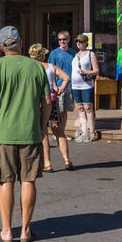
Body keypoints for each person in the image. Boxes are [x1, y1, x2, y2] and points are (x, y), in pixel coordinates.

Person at [0, 26, 50, 242]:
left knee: (5, 181)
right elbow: (47, 102)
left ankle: (6, 231)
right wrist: (42, 125)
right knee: (28, 180)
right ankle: (25, 230)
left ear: (1, 46)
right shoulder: (36, 67)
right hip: (29, 131)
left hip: (2, 132)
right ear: (21, 42)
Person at [28, 43, 72, 171]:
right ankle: (67, 160)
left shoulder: (31, 68)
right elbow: (66, 77)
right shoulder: (51, 67)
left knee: (43, 132)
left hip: (37, 102)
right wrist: (61, 89)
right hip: (52, 101)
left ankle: (47, 163)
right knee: (59, 131)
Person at [46, 31, 76, 167]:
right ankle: (59, 132)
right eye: (60, 40)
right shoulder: (54, 53)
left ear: (69, 39)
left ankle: (60, 132)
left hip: (69, 85)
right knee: (58, 110)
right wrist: (54, 85)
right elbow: (51, 71)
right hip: (57, 87)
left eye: (64, 39)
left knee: (64, 111)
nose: (62, 41)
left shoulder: (72, 53)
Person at [69, 34, 99, 142]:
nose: (78, 43)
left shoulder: (91, 54)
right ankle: (84, 130)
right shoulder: (75, 55)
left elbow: (96, 71)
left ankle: (92, 131)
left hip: (86, 85)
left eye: (81, 42)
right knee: (81, 108)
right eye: (77, 41)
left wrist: (85, 72)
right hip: (75, 86)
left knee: (88, 108)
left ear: (86, 43)